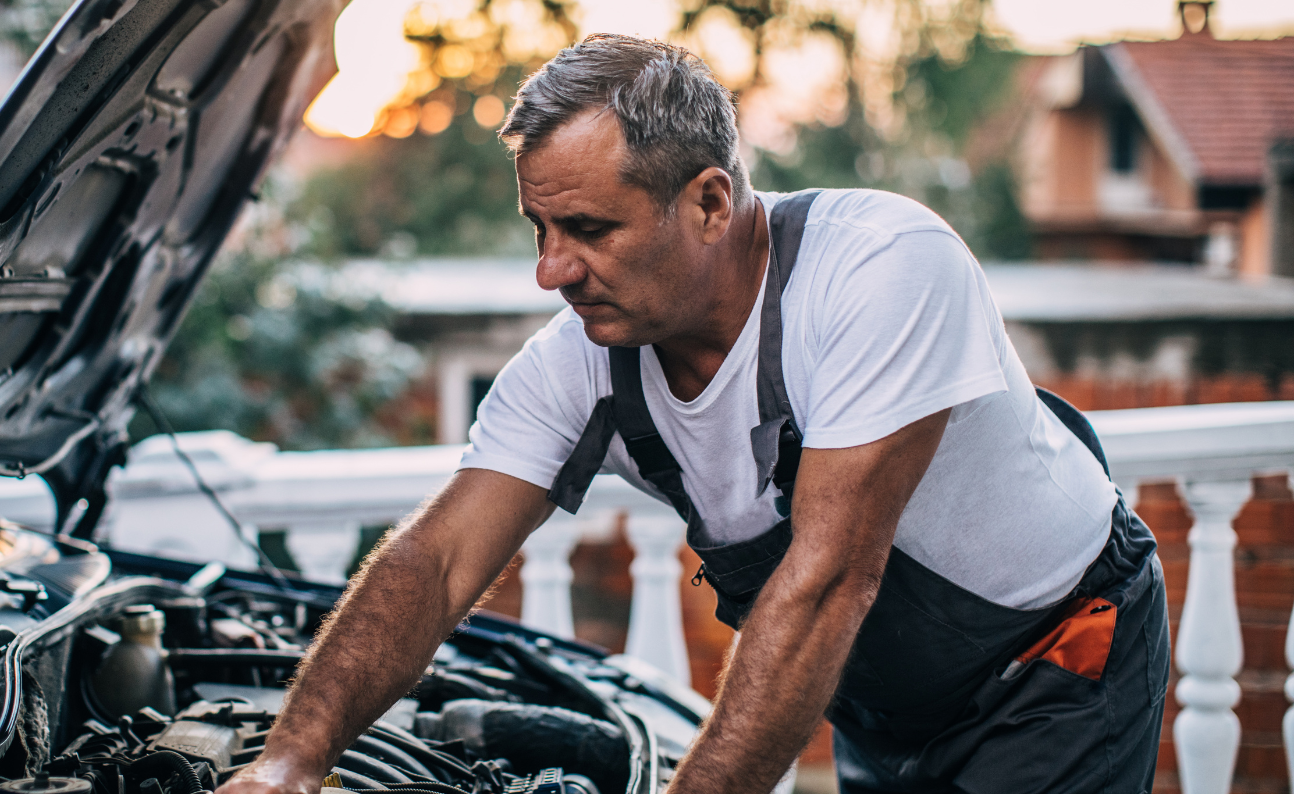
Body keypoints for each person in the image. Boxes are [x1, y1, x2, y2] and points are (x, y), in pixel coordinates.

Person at [217, 34, 1168, 794]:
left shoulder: (881, 268)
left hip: (1056, 665)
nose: (552, 270)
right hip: (880, 701)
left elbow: (829, 581)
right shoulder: (583, 357)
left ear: (711, 201)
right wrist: (290, 759)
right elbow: (437, 557)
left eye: (589, 229)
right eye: (539, 230)